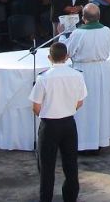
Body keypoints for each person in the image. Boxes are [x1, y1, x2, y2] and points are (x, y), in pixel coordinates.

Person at [29, 41, 87, 202]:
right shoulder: (77, 75)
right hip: (69, 123)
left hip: (49, 125)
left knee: (47, 168)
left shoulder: (44, 78)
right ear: (67, 57)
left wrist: (48, 114)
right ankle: (70, 198)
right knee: (71, 165)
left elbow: (36, 106)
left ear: (49, 58)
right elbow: (80, 101)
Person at [62, 3, 110, 152]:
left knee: (84, 108)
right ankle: (97, 141)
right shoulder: (106, 30)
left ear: (83, 18)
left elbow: (67, 53)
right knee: (98, 105)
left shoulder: (79, 33)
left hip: (83, 71)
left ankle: (83, 143)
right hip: (101, 71)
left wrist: (62, 35)